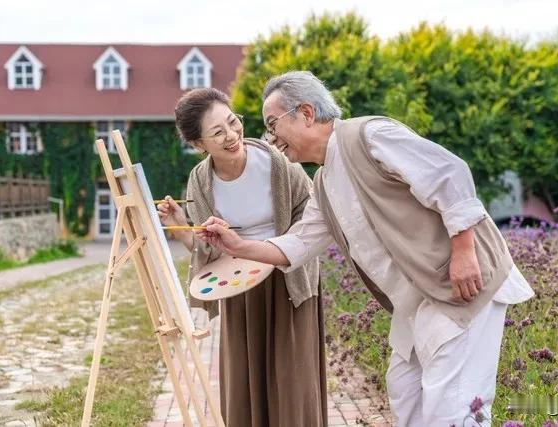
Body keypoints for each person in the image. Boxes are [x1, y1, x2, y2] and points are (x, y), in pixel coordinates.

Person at [197, 71, 535, 426]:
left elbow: (449, 173)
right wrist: (238, 246)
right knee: (406, 392)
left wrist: (465, 251)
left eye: (273, 124)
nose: (270, 138)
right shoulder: (324, 183)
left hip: (463, 284)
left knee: (453, 409)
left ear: (307, 113)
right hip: (419, 299)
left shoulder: (369, 135)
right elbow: (298, 244)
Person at [157, 87, 327, 427]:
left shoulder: (277, 163)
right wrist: (179, 226)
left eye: (233, 122)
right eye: (217, 132)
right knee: (244, 380)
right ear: (199, 144)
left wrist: (273, 250)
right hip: (239, 287)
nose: (232, 135)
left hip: (287, 279)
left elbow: (311, 217)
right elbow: (207, 251)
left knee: (291, 377)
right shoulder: (201, 182)